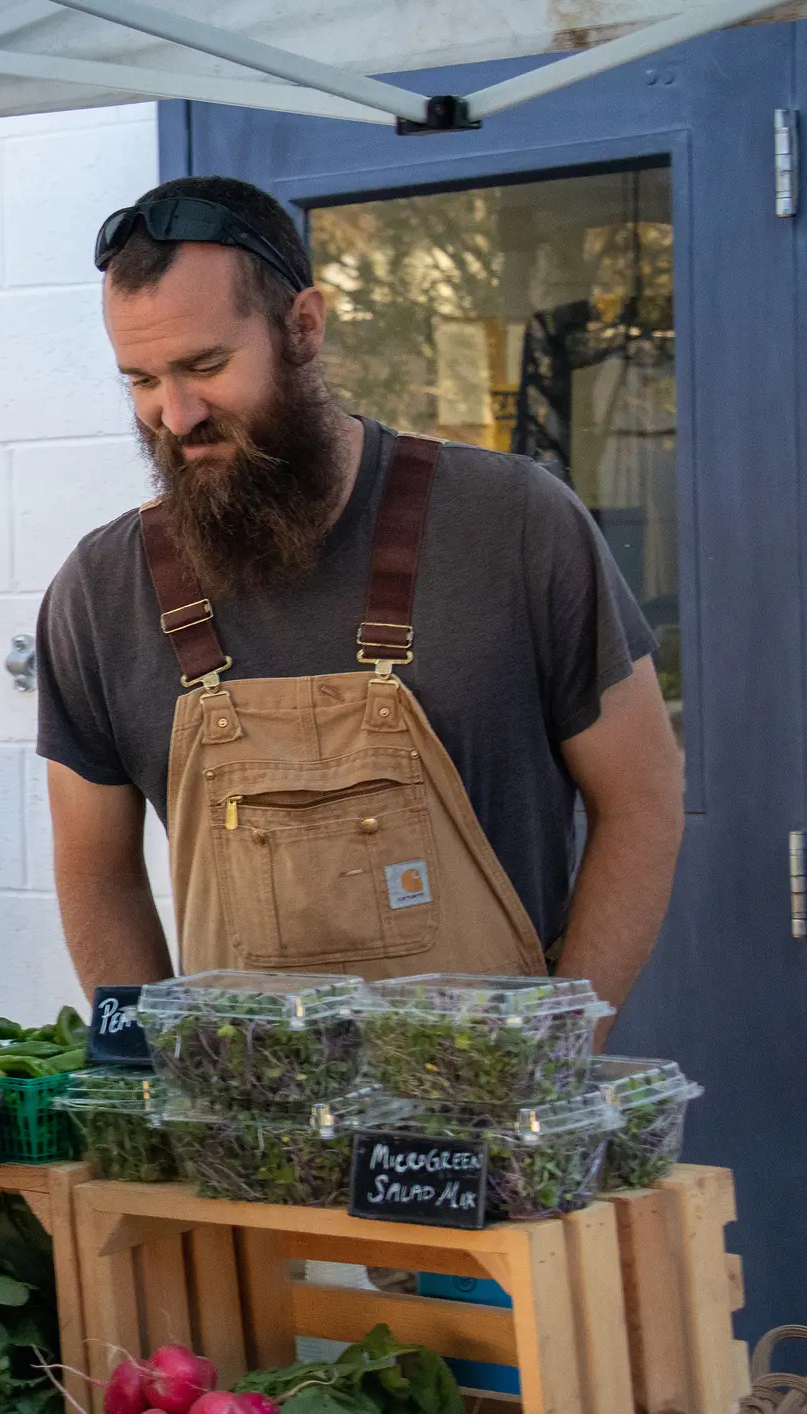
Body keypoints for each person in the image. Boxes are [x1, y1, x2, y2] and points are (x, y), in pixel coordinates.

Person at [37, 175, 684, 1009]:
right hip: (239, 1122)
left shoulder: (514, 523)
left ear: (302, 326)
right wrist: (149, 1081)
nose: (177, 413)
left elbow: (641, 801)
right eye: (141, 380)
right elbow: (97, 877)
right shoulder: (100, 591)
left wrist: (557, 1055)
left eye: (205, 365)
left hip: (486, 1112)